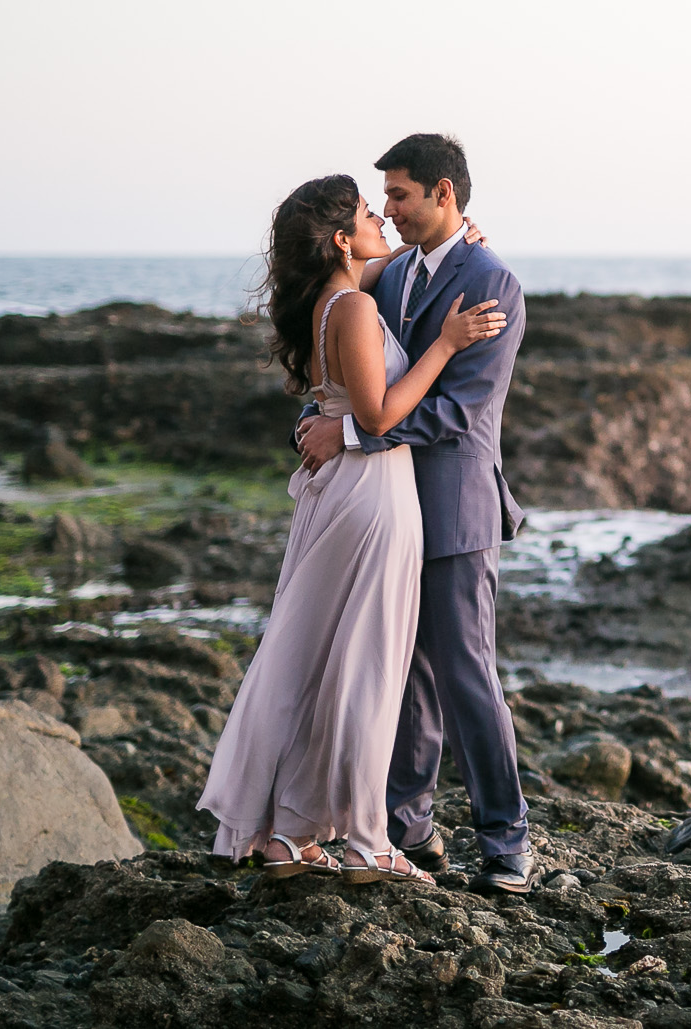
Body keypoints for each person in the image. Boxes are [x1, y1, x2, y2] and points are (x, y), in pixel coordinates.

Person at [197, 174, 503, 884]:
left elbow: (389, 261)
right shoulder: (357, 309)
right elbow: (381, 414)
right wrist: (447, 343)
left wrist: (454, 243)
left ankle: (290, 833)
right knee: (369, 666)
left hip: (343, 496)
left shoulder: (330, 299)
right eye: (371, 212)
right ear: (341, 238)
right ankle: (369, 839)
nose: (384, 221)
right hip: (374, 497)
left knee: (322, 660)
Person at [294, 132, 536, 895]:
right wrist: (317, 416)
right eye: (384, 200)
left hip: (456, 505)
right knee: (405, 674)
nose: (389, 210)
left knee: (465, 672)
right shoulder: (391, 274)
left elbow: (461, 412)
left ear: (444, 194)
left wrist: (352, 434)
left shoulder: (492, 281)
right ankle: (408, 826)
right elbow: (353, 361)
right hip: (386, 505)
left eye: (399, 195)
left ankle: (506, 844)